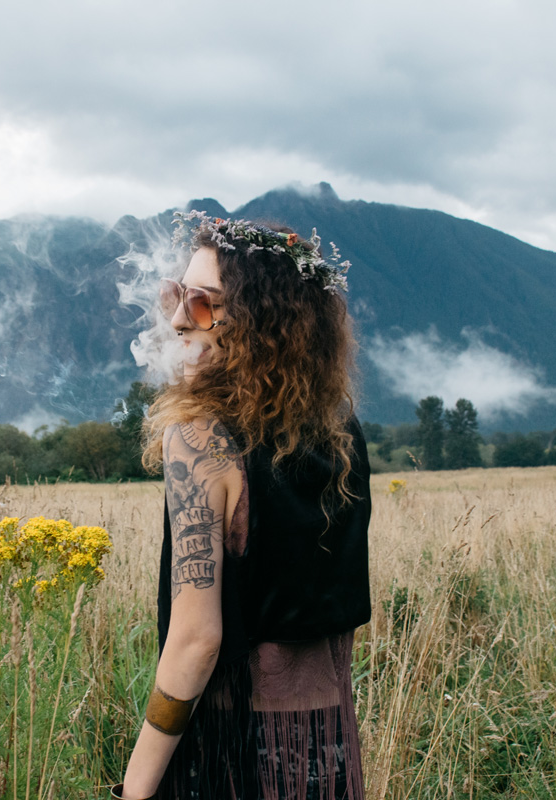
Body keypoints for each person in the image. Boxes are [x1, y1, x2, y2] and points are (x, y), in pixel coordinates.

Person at [113, 212, 372, 800]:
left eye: (202, 304)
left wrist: (135, 787)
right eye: (177, 295)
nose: (178, 319)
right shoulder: (340, 429)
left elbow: (196, 641)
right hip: (326, 738)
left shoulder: (202, 439)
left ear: (261, 321)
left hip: (232, 745)